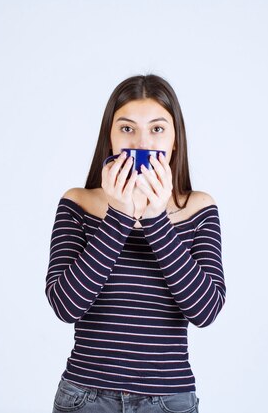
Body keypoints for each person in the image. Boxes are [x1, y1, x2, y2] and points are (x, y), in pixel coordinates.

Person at [45, 74, 226, 413]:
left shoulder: (199, 209)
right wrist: (119, 215)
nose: (142, 142)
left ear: (175, 140)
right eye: (127, 129)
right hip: (85, 397)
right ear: (110, 139)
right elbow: (65, 306)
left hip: (168, 400)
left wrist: (157, 219)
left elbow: (205, 311)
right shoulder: (77, 202)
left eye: (157, 129)